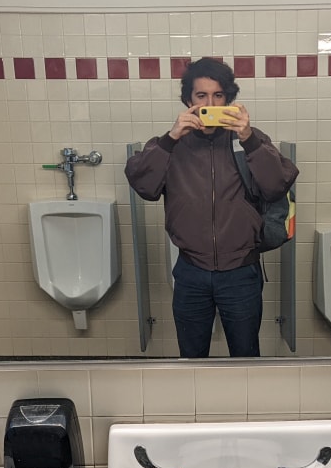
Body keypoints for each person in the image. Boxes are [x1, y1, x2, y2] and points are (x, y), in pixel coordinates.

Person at [125, 57, 299, 358]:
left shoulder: (249, 141)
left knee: (245, 356)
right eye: (201, 95)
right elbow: (144, 186)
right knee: (192, 359)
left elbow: (277, 184)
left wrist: (250, 138)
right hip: (191, 271)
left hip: (241, 272)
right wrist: (170, 139)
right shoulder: (172, 145)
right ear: (188, 100)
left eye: (218, 95)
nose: (210, 102)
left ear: (229, 99)